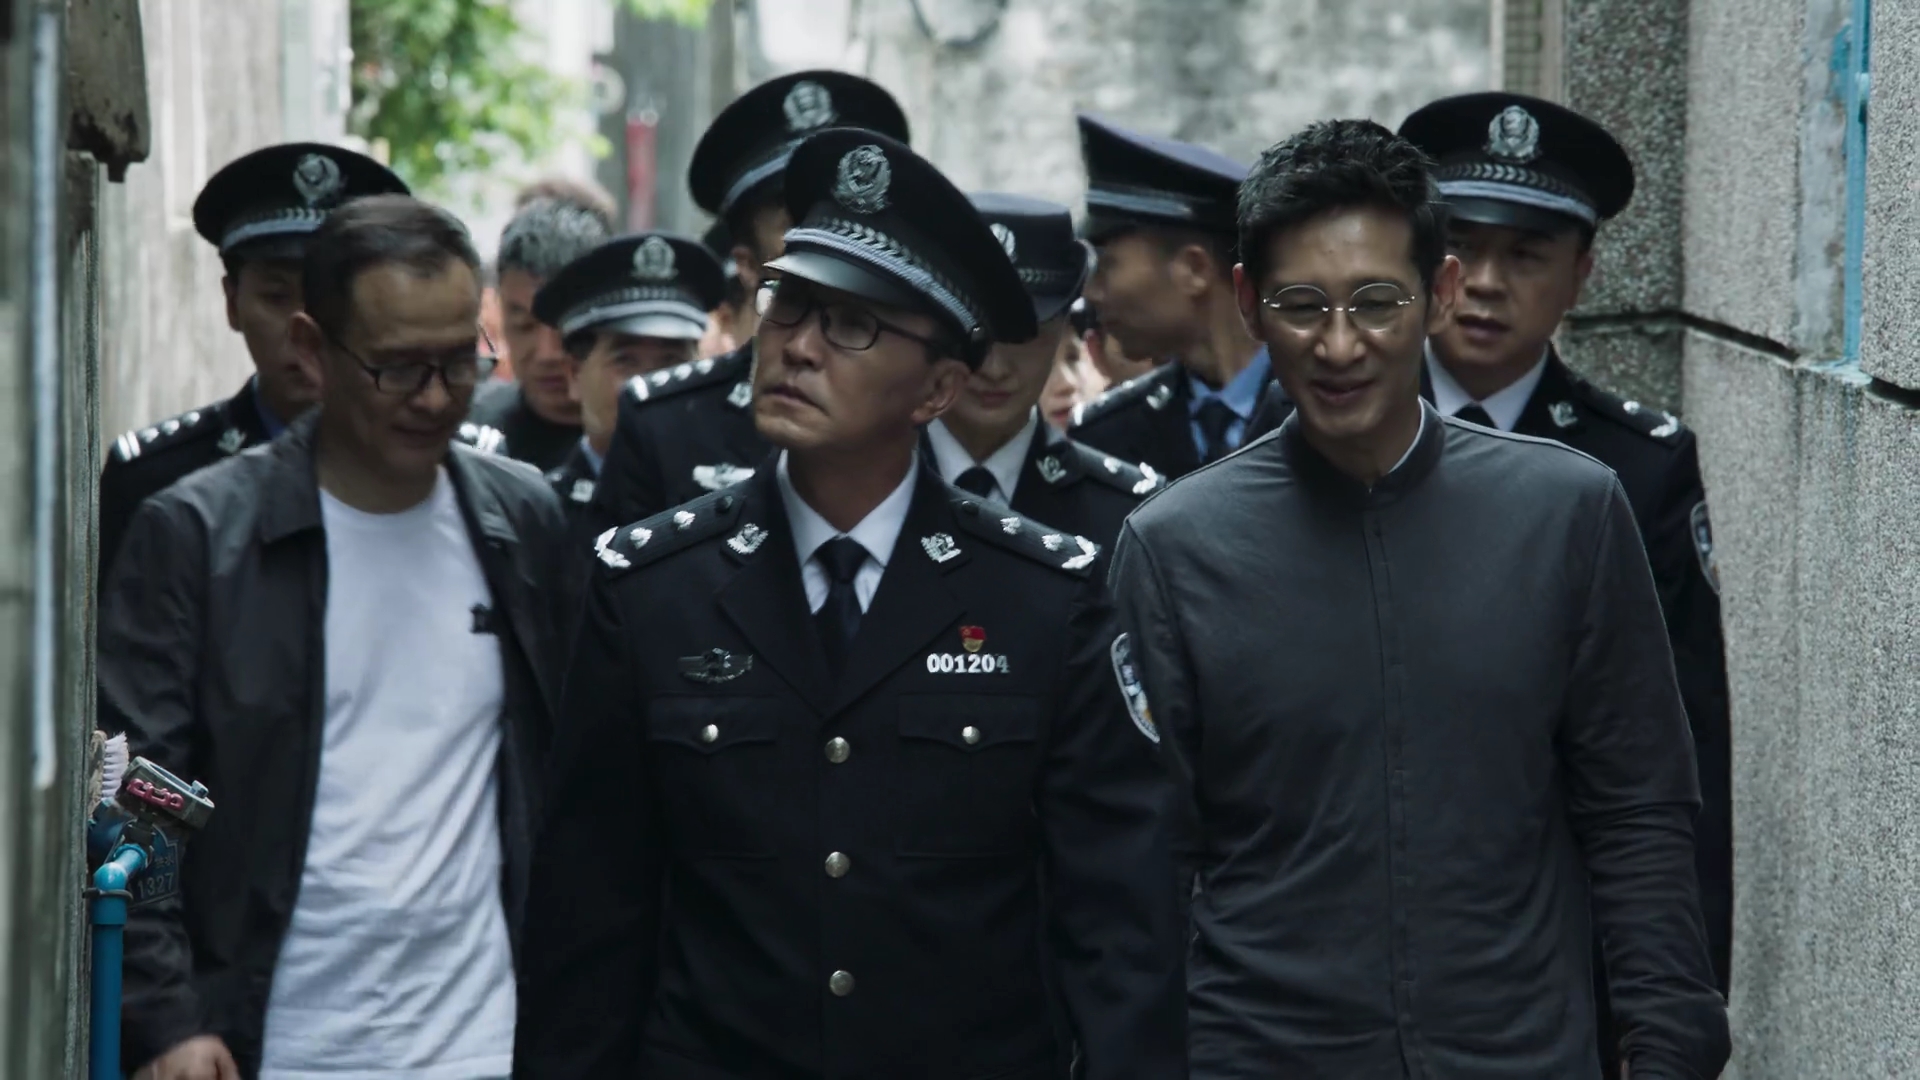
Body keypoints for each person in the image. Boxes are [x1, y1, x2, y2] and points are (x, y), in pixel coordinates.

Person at [515, 129, 1185, 1080]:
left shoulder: (1045, 596)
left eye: (853, 325)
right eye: (789, 304)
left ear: (940, 388)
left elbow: (1118, 929)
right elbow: (588, 926)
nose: (797, 346)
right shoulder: (653, 585)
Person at [1107, 118, 1730, 1077]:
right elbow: (1141, 867)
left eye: (1377, 302)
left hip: (1519, 1054)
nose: (1340, 345)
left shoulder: (1567, 512)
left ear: (1436, 294)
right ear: (1249, 303)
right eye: (1302, 305)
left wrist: (1668, 1047)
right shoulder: (1175, 546)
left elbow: (1638, 809)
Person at [100, 195, 570, 1080]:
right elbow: (136, 800)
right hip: (272, 1048)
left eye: (458, 362)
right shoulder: (197, 537)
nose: (435, 398)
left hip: (484, 1043)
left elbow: (572, 784)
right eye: (397, 368)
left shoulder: (521, 523)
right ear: (314, 349)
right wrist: (164, 1019)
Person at [1399, 90, 1735, 1071]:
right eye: (1463, 246)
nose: (1486, 283)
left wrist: (1675, 1011)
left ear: (1581, 274)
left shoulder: (1640, 468)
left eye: (1527, 255)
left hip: (1557, 962)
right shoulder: (1324, 440)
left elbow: (1682, 758)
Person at [589, 70, 912, 527]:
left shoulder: (929, 399)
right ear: (746, 266)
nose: (831, 239)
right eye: (798, 218)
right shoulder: (665, 424)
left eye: (847, 210)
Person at [97, 142, 420, 577]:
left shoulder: (440, 466)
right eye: (276, 296)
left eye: (331, 295)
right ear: (233, 302)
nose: (306, 327)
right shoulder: (155, 482)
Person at [924, 191, 1162, 555]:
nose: (995, 369)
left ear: (1064, 326)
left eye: (1025, 335)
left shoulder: (1132, 516)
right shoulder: (858, 484)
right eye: (973, 334)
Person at [1068, 114, 1282, 479]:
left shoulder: (1327, 405)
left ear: (1194, 269)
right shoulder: (1106, 435)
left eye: (1107, 265)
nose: (1092, 292)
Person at [533, 231, 725, 554]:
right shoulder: (540, 515)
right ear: (575, 374)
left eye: (672, 361)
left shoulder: (729, 504)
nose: (651, 384)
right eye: (626, 360)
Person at [468, 190, 615, 471]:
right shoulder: (467, 436)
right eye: (524, 325)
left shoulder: (651, 439)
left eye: (564, 326)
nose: (548, 353)